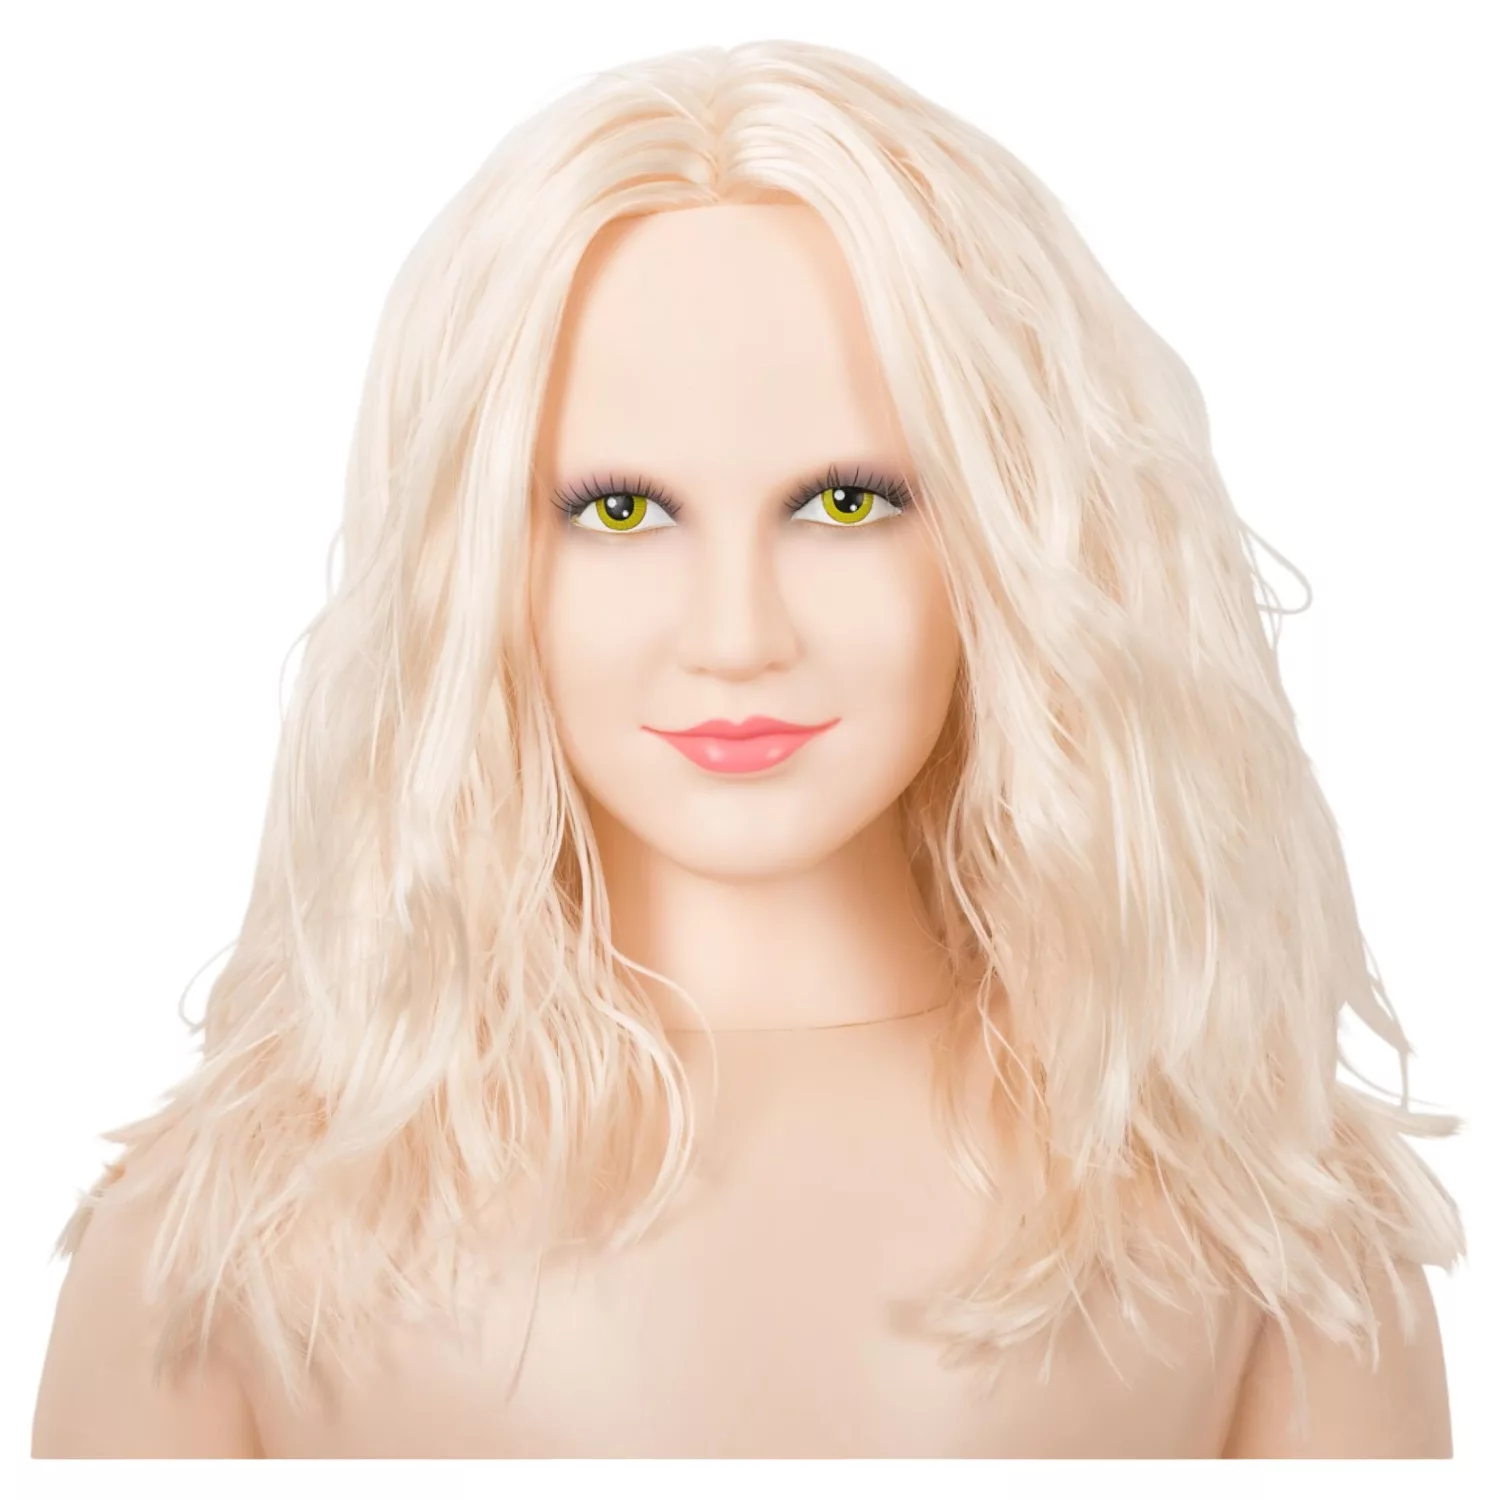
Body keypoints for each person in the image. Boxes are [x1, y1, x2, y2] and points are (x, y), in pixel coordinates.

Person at [32, 38, 1463, 1458]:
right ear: (470, 561)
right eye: (619, 511)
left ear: (1012, 537)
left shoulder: (1264, 1218)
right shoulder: (227, 1240)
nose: (736, 634)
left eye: (845, 503)